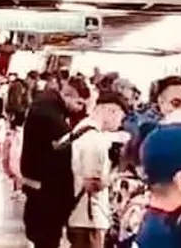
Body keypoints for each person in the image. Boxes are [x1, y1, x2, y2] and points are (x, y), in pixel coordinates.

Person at [20, 76, 90, 248]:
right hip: (45, 186)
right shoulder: (49, 114)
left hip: (38, 182)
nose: (80, 109)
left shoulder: (47, 106)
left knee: (42, 235)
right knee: (46, 236)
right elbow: (66, 145)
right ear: (67, 95)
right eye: (79, 103)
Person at [66, 92, 133, 248]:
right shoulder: (96, 140)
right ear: (111, 111)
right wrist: (115, 176)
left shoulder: (80, 129)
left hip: (75, 213)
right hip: (89, 218)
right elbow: (92, 184)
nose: (119, 124)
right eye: (120, 118)